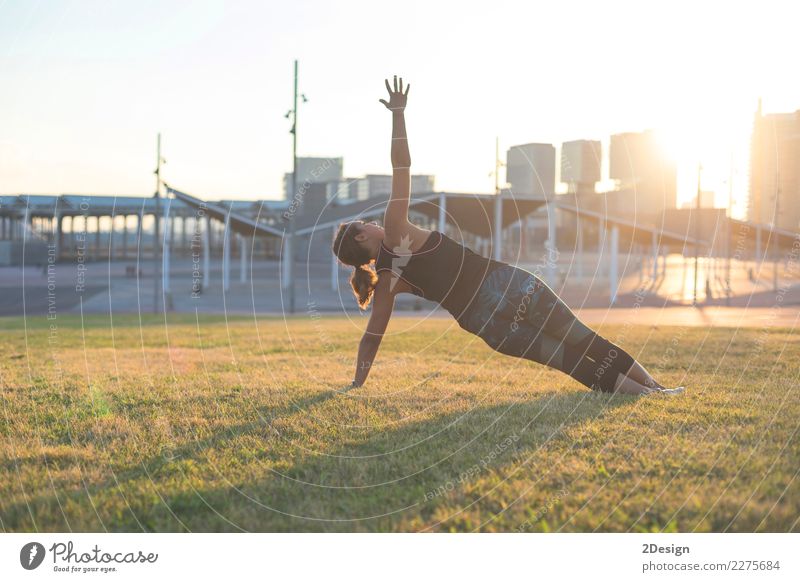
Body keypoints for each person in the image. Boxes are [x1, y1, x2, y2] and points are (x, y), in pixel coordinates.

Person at [332, 76, 685, 396]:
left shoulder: (386, 283)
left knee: (568, 361)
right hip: (507, 286)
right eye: (365, 224)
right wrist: (398, 114)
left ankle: (649, 394)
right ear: (363, 239)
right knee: (583, 340)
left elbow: (372, 337)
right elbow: (401, 166)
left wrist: (356, 383)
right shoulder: (395, 231)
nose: (373, 222)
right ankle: (655, 388)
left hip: (485, 323)